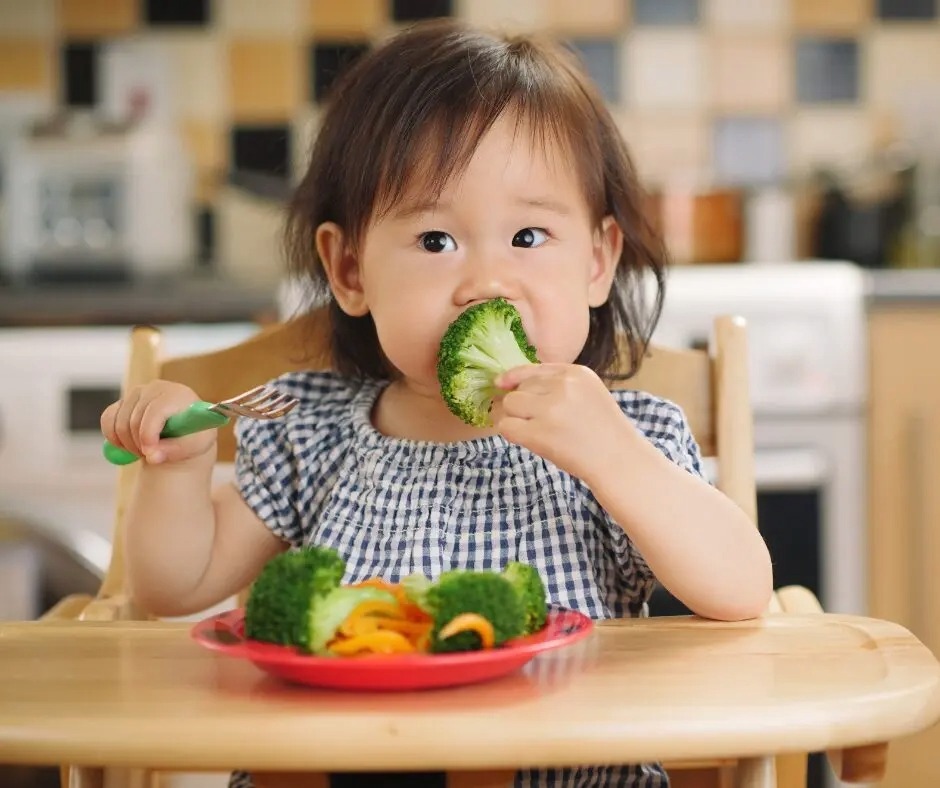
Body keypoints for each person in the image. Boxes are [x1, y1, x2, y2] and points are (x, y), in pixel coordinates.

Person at [100, 19, 772, 788]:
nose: (486, 282)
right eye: (434, 242)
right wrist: (178, 471)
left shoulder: (627, 438)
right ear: (349, 269)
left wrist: (613, 456)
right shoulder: (312, 430)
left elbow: (741, 588)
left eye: (527, 236)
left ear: (597, 261)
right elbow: (173, 587)